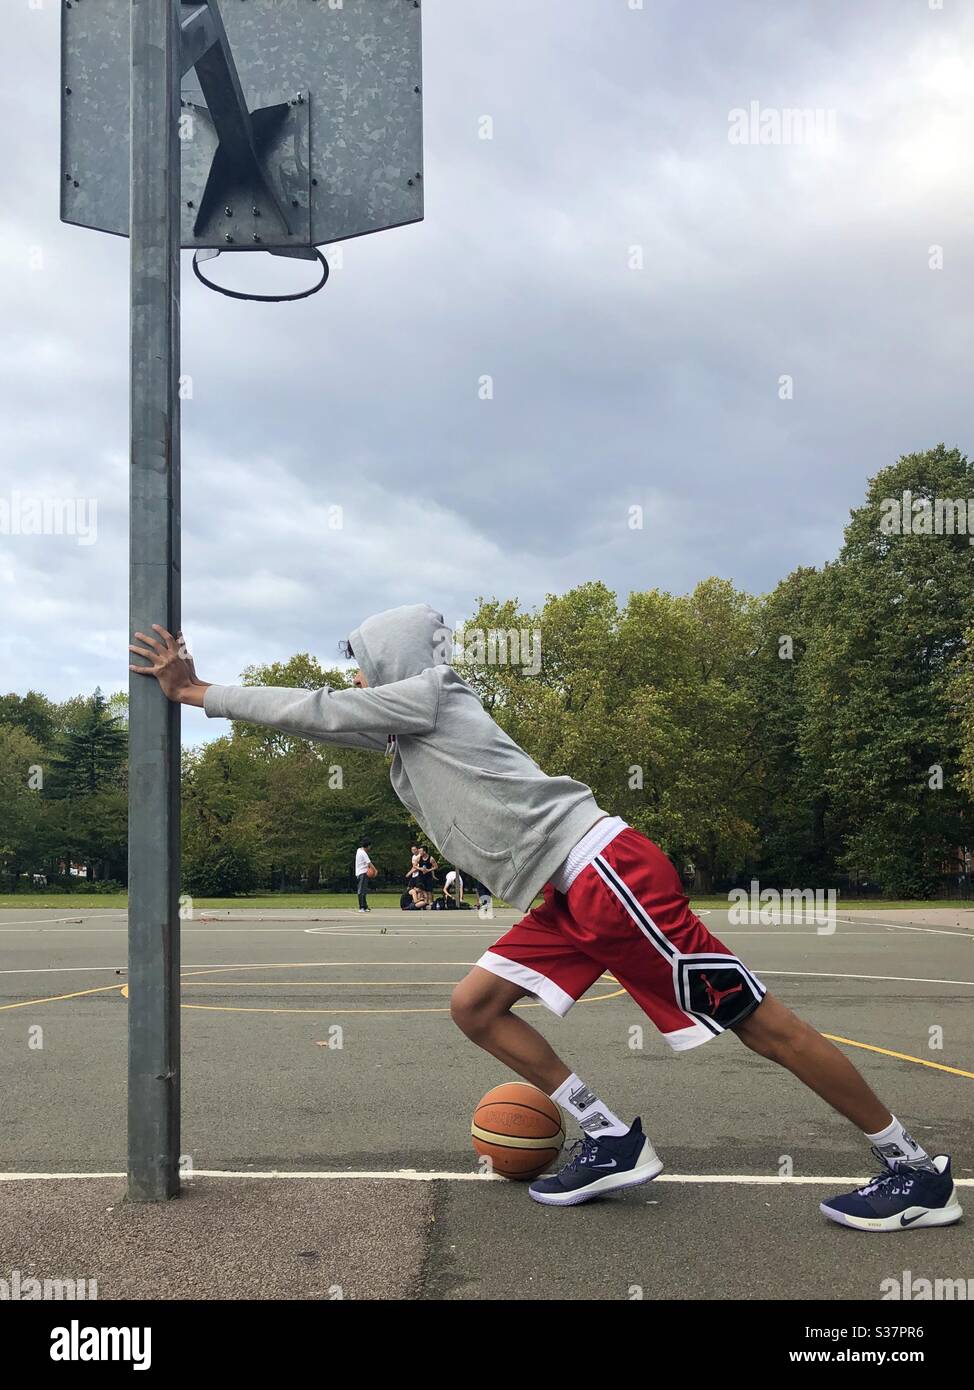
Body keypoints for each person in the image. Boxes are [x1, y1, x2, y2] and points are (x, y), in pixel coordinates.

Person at [130, 606, 962, 1228]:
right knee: (476, 1007)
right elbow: (328, 723)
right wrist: (207, 697)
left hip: (606, 875)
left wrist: (196, 690)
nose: (351, 679)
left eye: (358, 664)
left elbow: (320, 710)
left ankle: (913, 1170)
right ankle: (611, 1140)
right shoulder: (406, 732)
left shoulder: (428, 694)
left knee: (759, 1024)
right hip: (563, 895)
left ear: (391, 661)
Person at [354, 839, 373, 913]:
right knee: (361, 891)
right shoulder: (363, 853)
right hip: (362, 873)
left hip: (361, 873)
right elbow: (369, 863)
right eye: (370, 846)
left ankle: (365, 906)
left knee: (364, 891)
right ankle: (361, 907)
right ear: (368, 846)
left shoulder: (359, 850)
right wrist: (375, 870)